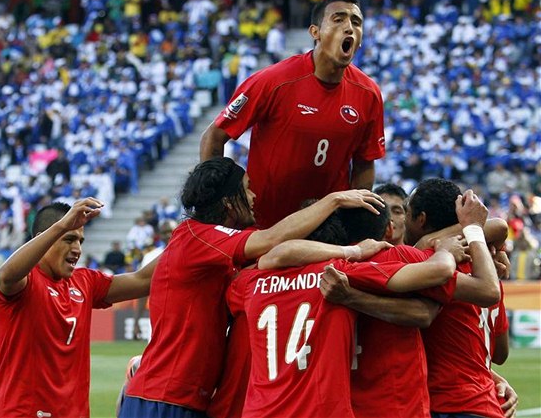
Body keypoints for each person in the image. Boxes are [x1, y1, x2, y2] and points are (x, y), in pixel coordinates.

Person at [118, 157, 384, 418]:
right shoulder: (199, 237)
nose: (254, 196)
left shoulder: (214, 251)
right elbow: (273, 241)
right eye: (247, 188)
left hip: (188, 396)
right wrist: (334, 200)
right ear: (229, 202)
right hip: (164, 396)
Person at [227, 210, 458, 418]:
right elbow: (447, 275)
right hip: (319, 411)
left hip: (258, 411)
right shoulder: (336, 273)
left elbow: (273, 257)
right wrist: (445, 251)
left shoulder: (252, 282)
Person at [200, 0, 385, 228]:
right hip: (262, 227)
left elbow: (365, 163)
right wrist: (216, 207)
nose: (349, 27)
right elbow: (213, 137)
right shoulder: (273, 80)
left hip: (325, 233)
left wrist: (352, 224)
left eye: (356, 22)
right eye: (338, 19)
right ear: (315, 32)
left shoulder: (369, 93)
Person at [0, 198, 158, 418]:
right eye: (69, 239)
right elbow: (6, 275)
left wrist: (192, 229)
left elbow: (142, 280)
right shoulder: (25, 282)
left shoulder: (84, 282)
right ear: (44, 238)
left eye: (80, 240)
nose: (77, 249)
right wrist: (62, 224)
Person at [402, 179, 514, 418]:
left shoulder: (428, 264)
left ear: (420, 219)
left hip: (450, 405)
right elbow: (500, 354)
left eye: (406, 213)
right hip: (485, 403)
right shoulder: (486, 267)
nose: (402, 221)